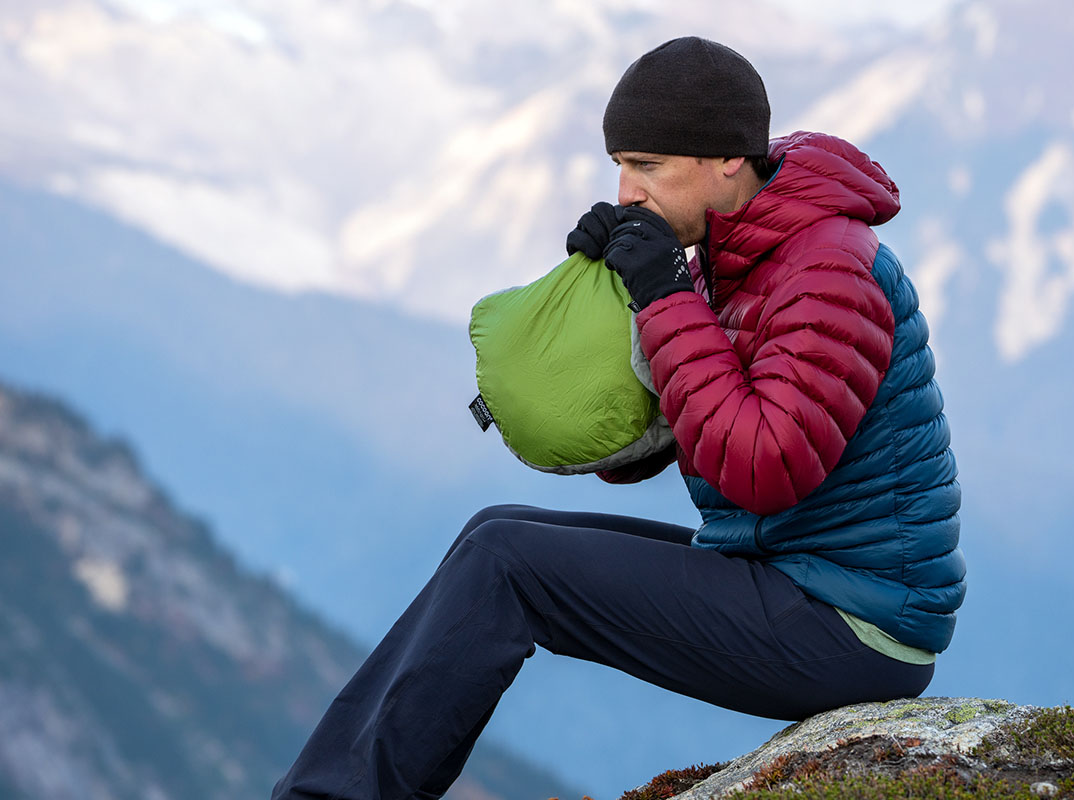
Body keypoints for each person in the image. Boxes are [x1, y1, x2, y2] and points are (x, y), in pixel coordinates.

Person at [272, 36, 965, 800]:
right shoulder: (736, 253)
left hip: (851, 627)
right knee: (491, 530)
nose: (628, 191)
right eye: (621, 167)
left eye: (648, 166)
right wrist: (621, 309)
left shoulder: (827, 269)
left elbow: (767, 465)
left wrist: (667, 298)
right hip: (785, 575)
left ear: (728, 159)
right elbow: (655, 444)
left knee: (507, 562)